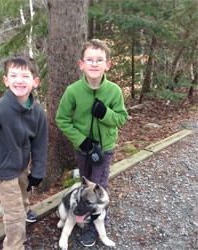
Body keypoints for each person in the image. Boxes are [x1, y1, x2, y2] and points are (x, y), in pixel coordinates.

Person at [0, 56, 48, 250]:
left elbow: (39, 144)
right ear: (6, 80)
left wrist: (38, 171)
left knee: (24, 197)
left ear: (35, 82)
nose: (19, 80)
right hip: (3, 171)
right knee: (14, 217)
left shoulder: (37, 111)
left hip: (22, 167)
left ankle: (25, 212)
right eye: (13, 75)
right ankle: (14, 246)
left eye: (25, 76)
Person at [56, 39, 128, 247]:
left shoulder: (113, 91)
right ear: (81, 64)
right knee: (85, 183)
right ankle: (82, 212)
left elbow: (122, 118)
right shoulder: (73, 91)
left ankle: (94, 228)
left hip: (104, 149)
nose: (94, 64)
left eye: (99, 60)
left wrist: (105, 113)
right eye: (90, 60)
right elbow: (61, 119)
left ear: (107, 65)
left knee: (99, 186)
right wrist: (81, 140)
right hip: (82, 149)